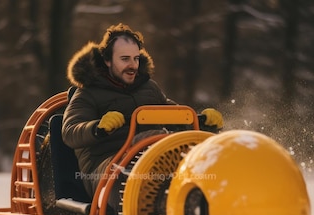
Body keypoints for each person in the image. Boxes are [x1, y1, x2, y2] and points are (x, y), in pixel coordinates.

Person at [62, 23, 224, 202]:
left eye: (136, 59)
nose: (133, 66)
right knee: (150, 142)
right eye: (125, 59)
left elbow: (174, 115)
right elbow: (70, 132)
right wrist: (97, 128)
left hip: (151, 161)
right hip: (105, 171)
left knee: (184, 151)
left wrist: (200, 120)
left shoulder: (149, 88)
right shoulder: (88, 92)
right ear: (107, 60)